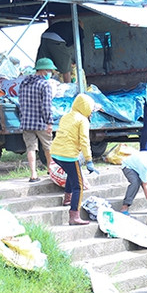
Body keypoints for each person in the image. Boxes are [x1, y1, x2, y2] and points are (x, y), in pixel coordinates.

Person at [49, 93, 98, 225]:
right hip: (68, 155)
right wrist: (89, 160)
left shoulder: (66, 116)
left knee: (72, 174)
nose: (92, 113)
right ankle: (74, 215)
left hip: (55, 153)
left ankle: (67, 198)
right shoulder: (83, 120)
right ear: (86, 108)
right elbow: (84, 141)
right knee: (79, 186)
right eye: (91, 110)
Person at [18, 57, 56, 182]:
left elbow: (21, 103)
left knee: (31, 148)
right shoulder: (45, 85)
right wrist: (49, 122)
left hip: (26, 122)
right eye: (50, 70)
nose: (51, 73)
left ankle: (33, 174)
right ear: (43, 71)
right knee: (48, 147)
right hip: (41, 123)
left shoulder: (24, 83)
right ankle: (51, 170)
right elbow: (46, 106)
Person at [36, 19, 84, 84]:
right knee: (65, 68)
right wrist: (81, 65)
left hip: (44, 37)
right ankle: (68, 86)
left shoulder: (64, 24)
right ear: (80, 25)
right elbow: (80, 47)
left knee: (43, 63)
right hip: (57, 39)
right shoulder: (78, 29)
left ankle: (38, 83)